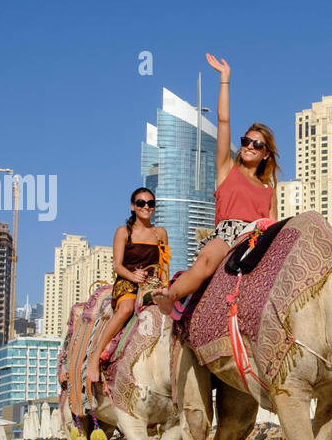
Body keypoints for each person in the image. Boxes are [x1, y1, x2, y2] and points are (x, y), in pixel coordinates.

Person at [153, 54, 278, 316]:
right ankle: (171, 296)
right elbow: (223, 121)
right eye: (246, 141)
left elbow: (273, 227)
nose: (249, 146)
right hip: (227, 235)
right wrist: (225, 79)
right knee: (207, 260)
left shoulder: (269, 190)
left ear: (266, 153)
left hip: (255, 240)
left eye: (257, 144)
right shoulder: (227, 169)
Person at [85, 187, 170, 382]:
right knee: (125, 309)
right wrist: (134, 277)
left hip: (152, 282)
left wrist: (164, 286)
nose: (146, 207)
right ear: (133, 207)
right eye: (141, 203)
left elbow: (164, 264)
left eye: (150, 203)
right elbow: (118, 266)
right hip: (127, 281)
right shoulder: (124, 232)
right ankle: (95, 355)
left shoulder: (160, 233)